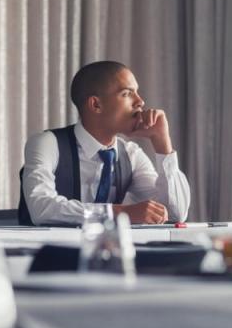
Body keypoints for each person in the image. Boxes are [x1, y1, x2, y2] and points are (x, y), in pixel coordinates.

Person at [18, 61, 191, 225]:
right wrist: (119, 213)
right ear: (96, 105)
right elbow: (41, 207)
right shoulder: (47, 143)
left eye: (137, 92)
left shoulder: (131, 153)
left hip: (108, 253)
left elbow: (174, 214)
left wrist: (162, 142)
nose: (140, 102)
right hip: (46, 253)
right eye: (127, 94)